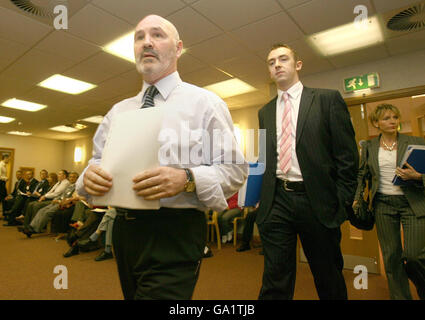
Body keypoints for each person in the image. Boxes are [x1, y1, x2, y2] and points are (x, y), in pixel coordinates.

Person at [76, 14, 247, 300]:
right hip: (125, 231)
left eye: (157, 35)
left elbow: (234, 170)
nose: (146, 43)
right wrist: (88, 177)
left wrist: (188, 178)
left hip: (174, 232)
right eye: (139, 37)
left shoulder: (206, 104)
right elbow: (96, 162)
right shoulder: (118, 112)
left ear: (178, 48)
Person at [256, 43, 359, 300]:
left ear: (297, 64)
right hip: (277, 201)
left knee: (328, 277)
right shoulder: (265, 112)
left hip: (317, 202)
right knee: (275, 280)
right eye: (271, 62)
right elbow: (266, 159)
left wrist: (342, 201)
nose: (277, 65)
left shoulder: (326, 99)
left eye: (283, 59)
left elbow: (347, 157)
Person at [353, 103, 425, 300]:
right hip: (383, 204)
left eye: (395, 117)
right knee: (391, 258)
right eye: (386, 118)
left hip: (413, 203)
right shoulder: (369, 147)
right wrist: (357, 198)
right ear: (376, 123)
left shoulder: (416, 142)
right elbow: (362, 174)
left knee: (414, 256)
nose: (392, 121)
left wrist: (417, 177)